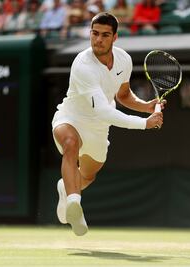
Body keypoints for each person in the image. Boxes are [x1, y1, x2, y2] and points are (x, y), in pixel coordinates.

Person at [51, 12, 164, 236]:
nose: (98, 40)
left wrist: (146, 106)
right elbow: (103, 111)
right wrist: (144, 123)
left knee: (88, 175)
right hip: (70, 117)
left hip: (99, 129)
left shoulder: (124, 60)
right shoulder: (83, 65)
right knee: (70, 144)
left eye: (104, 35)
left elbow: (123, 95)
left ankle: (66, 188)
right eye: (94, 34)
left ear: (115, 37)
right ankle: (75, 203)